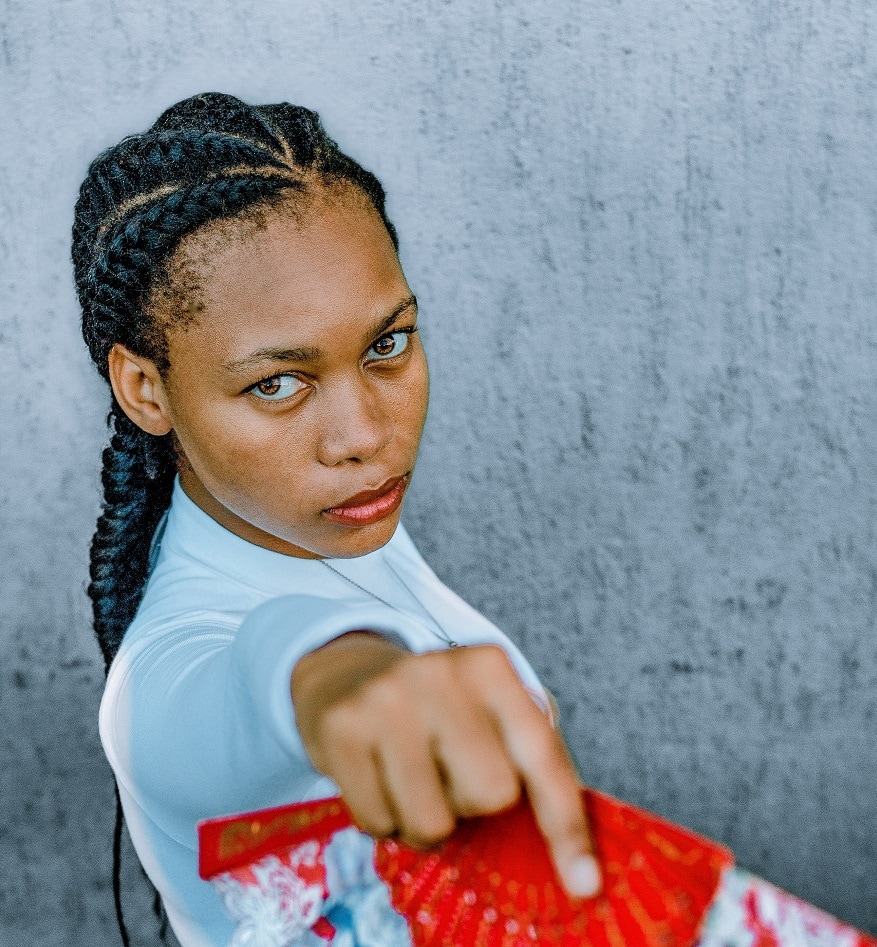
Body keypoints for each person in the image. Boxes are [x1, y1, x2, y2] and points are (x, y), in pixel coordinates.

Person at [72, 92, 600, 947]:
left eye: (386, 345)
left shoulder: (313, 514)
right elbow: (264, 669)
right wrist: (342, 674)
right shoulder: (164, 691)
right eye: (276, 384)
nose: (367, 436)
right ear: (144, 388)